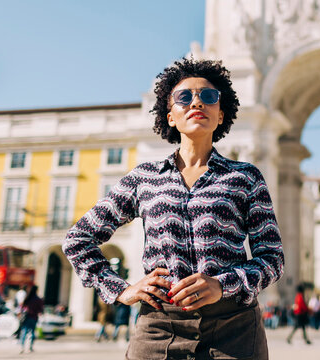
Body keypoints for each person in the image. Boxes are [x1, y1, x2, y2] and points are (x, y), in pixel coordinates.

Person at [63, 57, 284, 359]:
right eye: (184, 97)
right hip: (159, 329)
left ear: (221, 115)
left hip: (234, 330)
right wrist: (120, 289)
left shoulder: (245, 177)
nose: (197, 102)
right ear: (170, 116)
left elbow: (272, 258)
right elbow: (78, 239)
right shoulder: (144, 178)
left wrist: (222, 284)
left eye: (208, 96)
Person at [19, 284, 44, 354]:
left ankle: (22, 347)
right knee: (32, 332)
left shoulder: (27, 298)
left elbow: (21, 307)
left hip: (26, 317)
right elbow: (41, 309)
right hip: (34, 317)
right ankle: (30, 347)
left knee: (24, 331)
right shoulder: (38, 299)